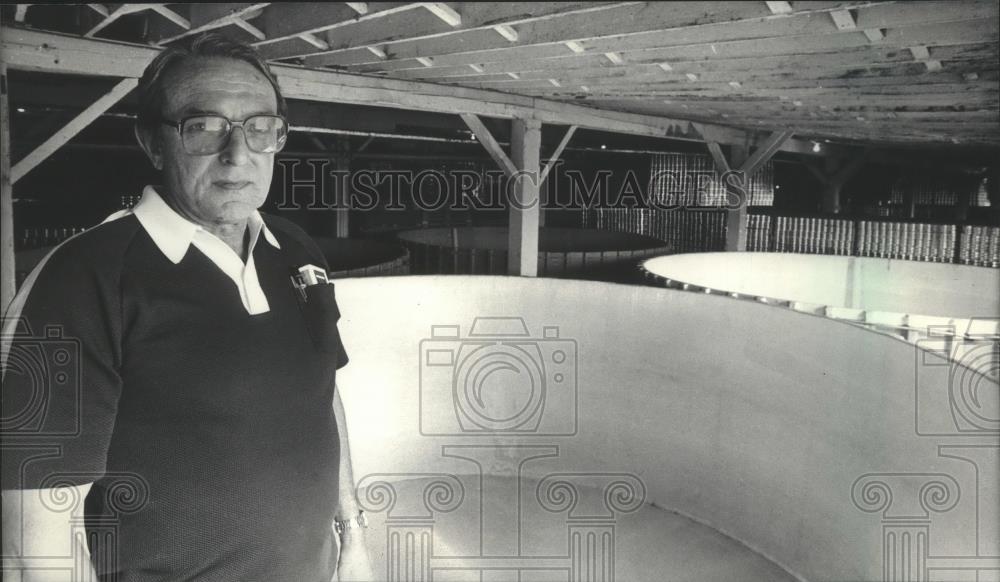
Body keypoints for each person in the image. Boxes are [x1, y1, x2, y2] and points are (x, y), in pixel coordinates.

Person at [1, 33, 374, 581]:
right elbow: (34, 539)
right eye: (203, 128)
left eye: (260, 128)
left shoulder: (292, 246)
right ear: (152, 143)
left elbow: (322, 393)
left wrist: (354, 537)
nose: (238, 154)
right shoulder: (84, 276)